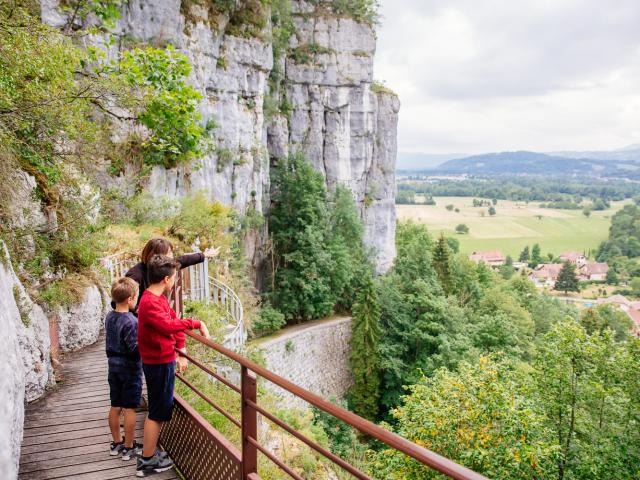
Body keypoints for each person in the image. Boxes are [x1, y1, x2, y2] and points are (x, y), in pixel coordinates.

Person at [136, 255, 210, 477]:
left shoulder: (156, 299)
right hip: (157, 363)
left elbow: (172, 321)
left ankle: (149, 454)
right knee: (157, 413)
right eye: (175, 277)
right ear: (166, 279)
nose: (176, 281)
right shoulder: (149, 302)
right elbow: (169, 325)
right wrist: (197, 323)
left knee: (159, 410)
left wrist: (182, 349)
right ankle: (147, 461)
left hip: (163, 360)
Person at [124, 237, 220, 312]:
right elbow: (119, 301)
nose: (172, 256)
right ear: (158, 256)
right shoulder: (136, 275)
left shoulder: (161, 266)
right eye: (169, 253)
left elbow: (183, 260)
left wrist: (204, 255)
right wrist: (138, 310)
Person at [106, 277, 143, 461]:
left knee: (115, 406)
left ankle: (116, 443)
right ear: (130, 299)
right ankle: (129, 447)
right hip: (130, 370)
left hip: (113, 368)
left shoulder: (110, 316)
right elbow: (134, 349)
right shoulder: (131, 321)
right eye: (136, 296)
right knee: (129, 409)